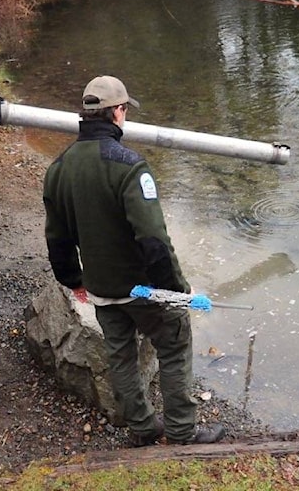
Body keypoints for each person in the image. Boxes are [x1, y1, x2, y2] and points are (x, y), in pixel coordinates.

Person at [42, 75, 226, 446]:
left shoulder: (58, 169)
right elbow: (154, 239)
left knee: (121, 358)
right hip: (145, 290)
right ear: (118, 112)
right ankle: (180, 430)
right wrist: (176, 289)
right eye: (125, 110)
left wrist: (74, 281)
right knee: (174, 348)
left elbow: (57, 238)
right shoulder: (129, 167)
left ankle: (142, 428)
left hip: (101, 289)